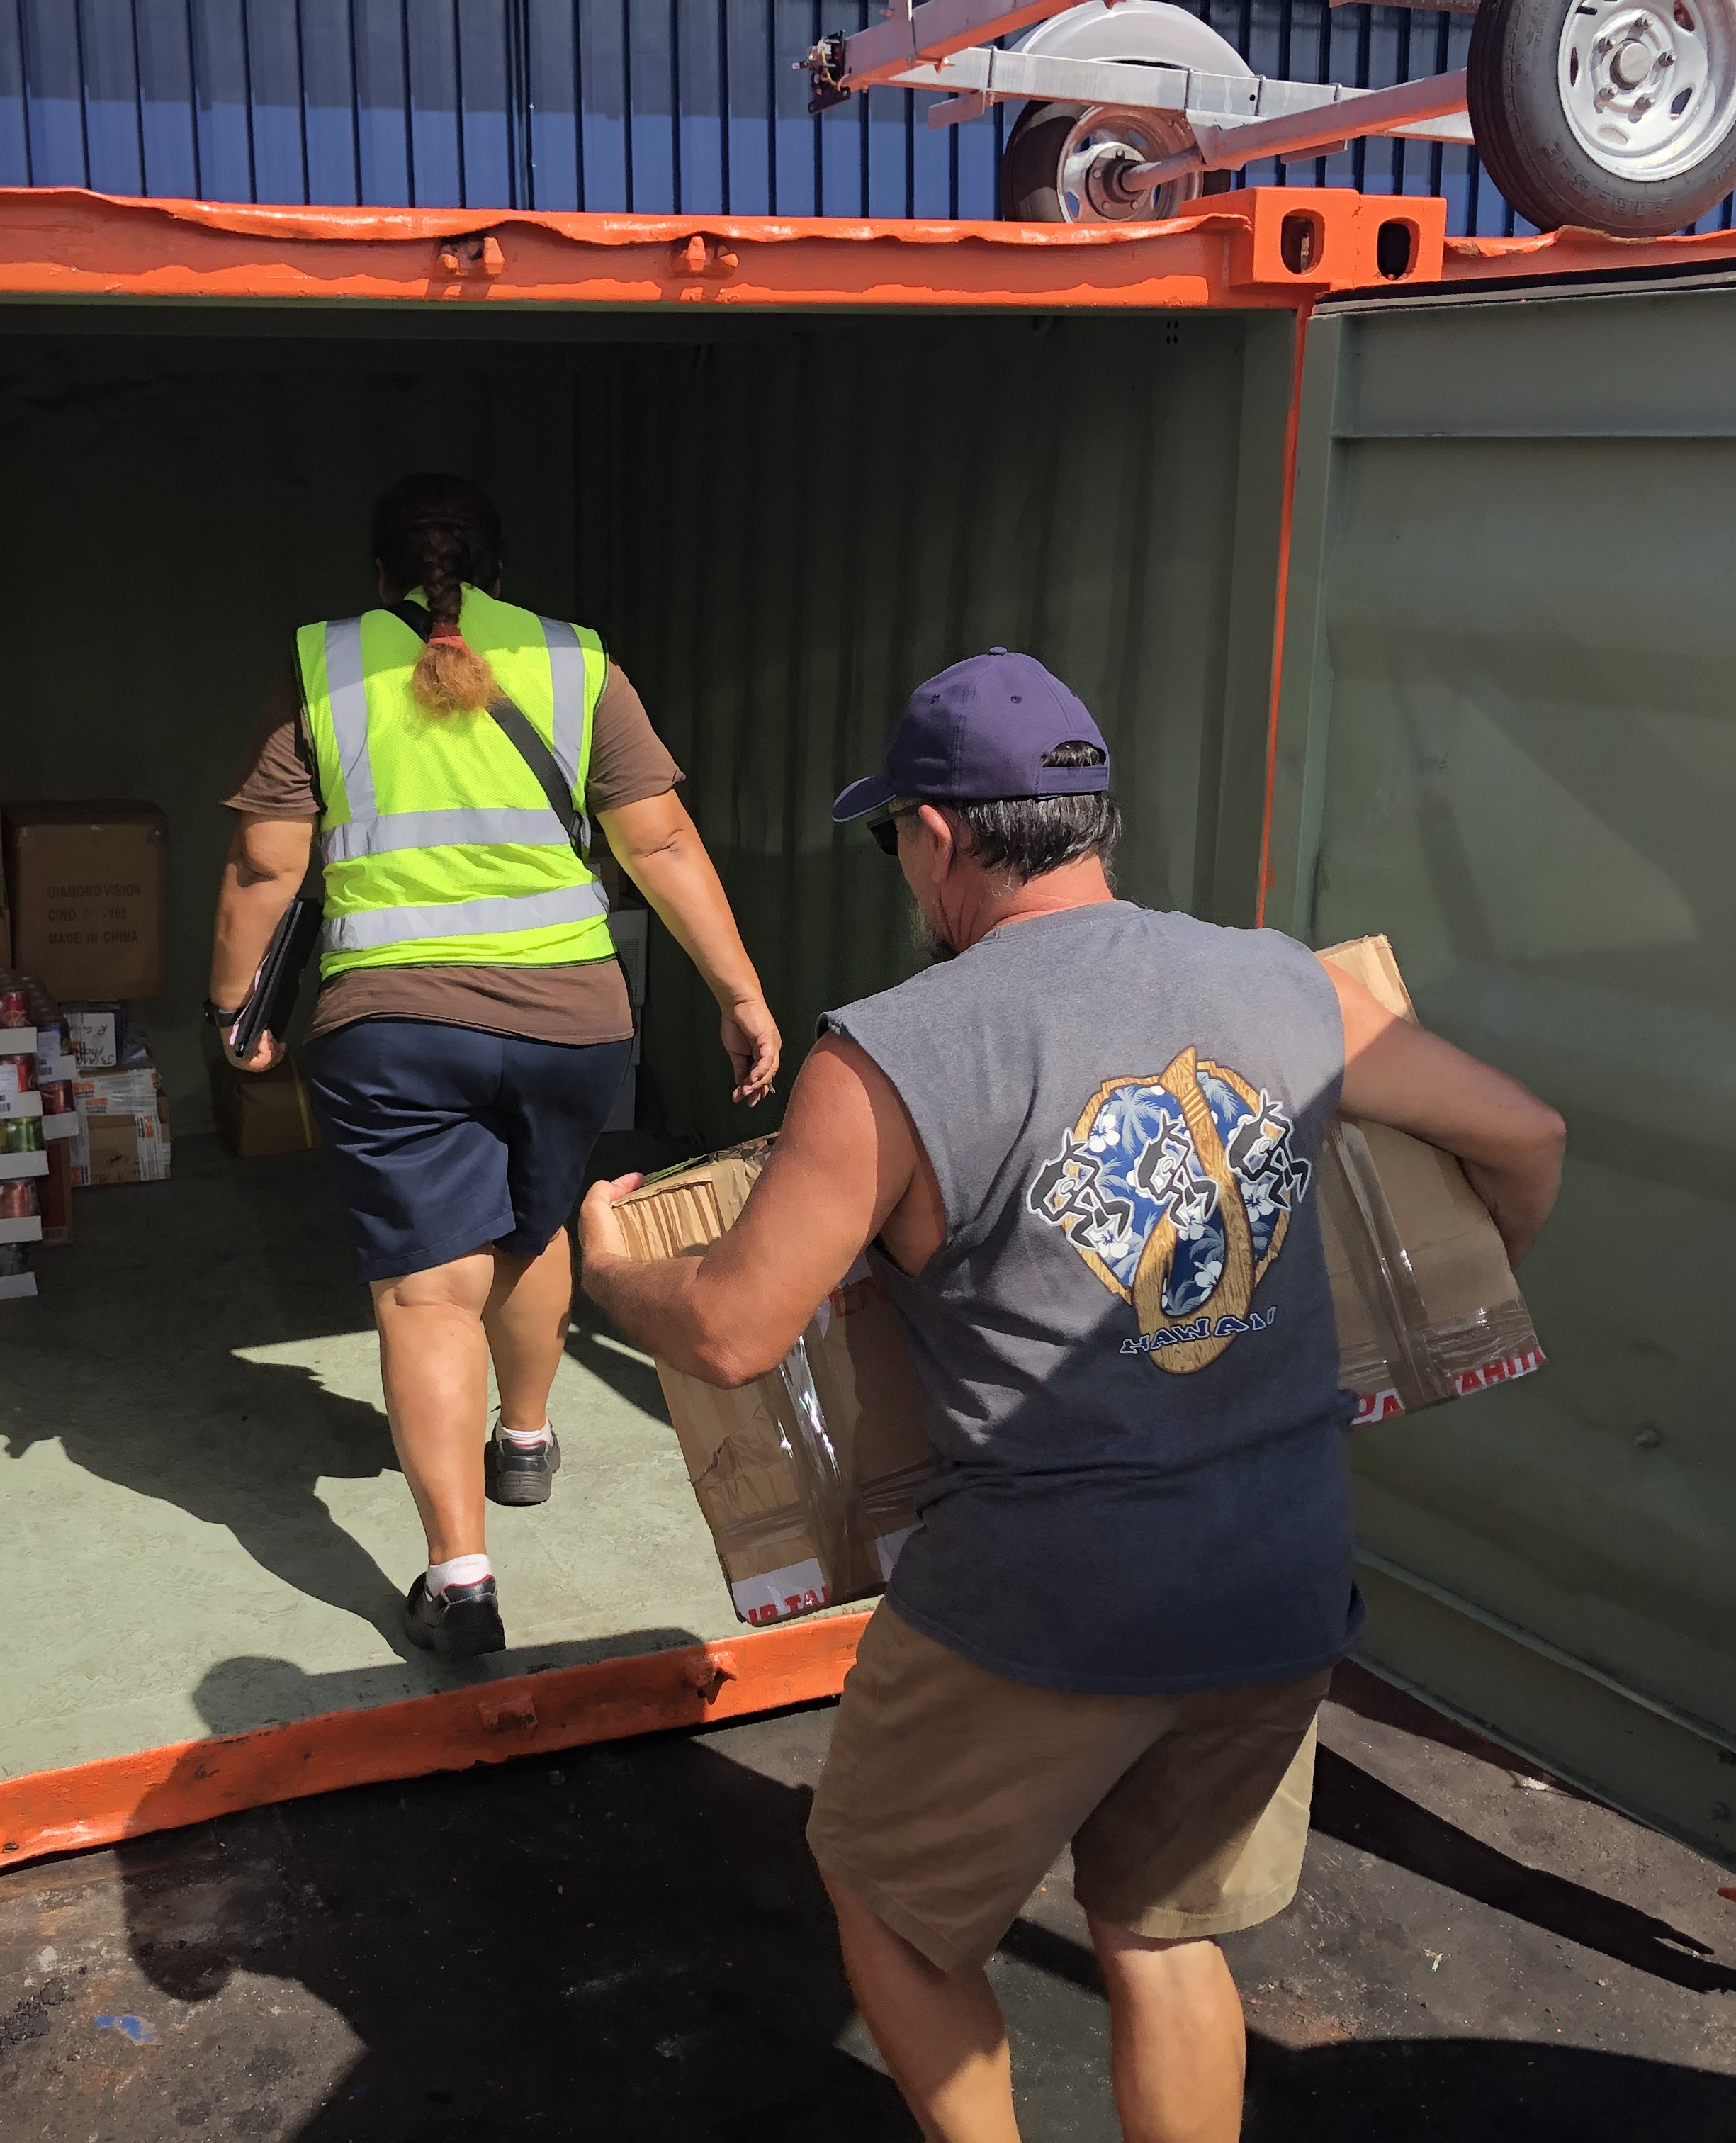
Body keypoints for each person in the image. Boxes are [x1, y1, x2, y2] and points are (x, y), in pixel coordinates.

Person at [577, 650, 1566, 2143]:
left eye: (892, 834)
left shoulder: (890, 1056)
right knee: (1164, 1935)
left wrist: (608, 1272)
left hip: (1044, 1599)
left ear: (938, 834)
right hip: (1281, 1574)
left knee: (889, 1903)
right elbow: (1528, 1141)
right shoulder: (1285, 983)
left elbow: (730, 1330)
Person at [208, 472, 781, 1662]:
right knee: (535, 1230)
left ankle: (460, 1582)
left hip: (391, 1024)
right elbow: (659, 838)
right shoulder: (576, 662)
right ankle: (524, 1439)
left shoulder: (324, 663)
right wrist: (740, 992)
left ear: (380, 576)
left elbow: (269, 865)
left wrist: (232, 1007)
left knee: (427, 1287)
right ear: (500, 572)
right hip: (574, 1018)